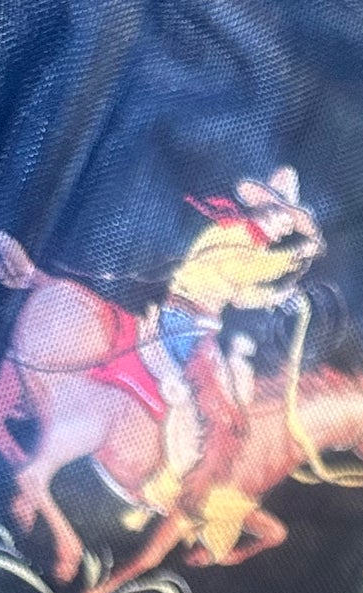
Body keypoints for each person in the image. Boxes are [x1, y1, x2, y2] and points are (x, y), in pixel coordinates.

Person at [136, 169, 325, 517]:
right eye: (285, 219)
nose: (286, 229)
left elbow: (238, 294)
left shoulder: (246, 243)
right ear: (266, 211)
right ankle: (175, 489)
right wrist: (297, 254)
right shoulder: (234, 235)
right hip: (185, 325)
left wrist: (275, 296)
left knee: (232, 400)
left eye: (290, 223)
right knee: (220, 414)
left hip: (196, 325)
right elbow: (243, 273)